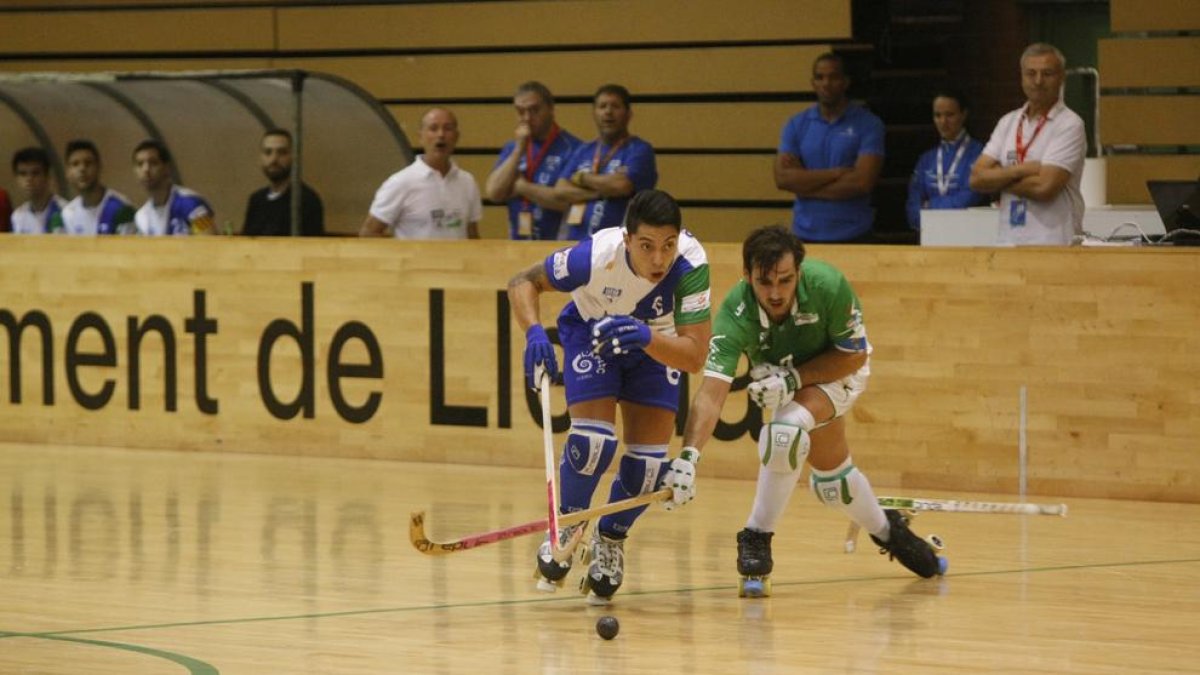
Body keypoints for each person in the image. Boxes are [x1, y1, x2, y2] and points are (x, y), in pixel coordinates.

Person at [678, 225, 944, 597]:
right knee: (833, 480)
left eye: (785, 281)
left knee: (783, 433)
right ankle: (891, 532)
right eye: (763, 282)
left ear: (799, 273)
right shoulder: (735, 313)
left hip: (838, 371)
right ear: (746, 276)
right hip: (785, 381)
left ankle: (756, 536)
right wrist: (690, 456)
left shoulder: (828, 286)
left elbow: (855, 354)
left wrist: (794, 379)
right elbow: (712, 393)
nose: (775, 293)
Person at [508, 189, 708, 604]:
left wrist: (648, 335)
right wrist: (532, 333)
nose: (659, 259)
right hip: (592, 332)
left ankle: (610, 538)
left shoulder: (691, 266)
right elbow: (523, 282)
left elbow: (694, 356)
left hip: (656, 344)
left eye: (668, 245)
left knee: (648, 469)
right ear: (627, 238)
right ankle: (567, 525)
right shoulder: (597, 255)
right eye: (648, 246)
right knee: (593, 443)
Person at [969, 43, 1086, 246]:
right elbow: (976, 178)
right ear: (1022, 77)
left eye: (1047, 73)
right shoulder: (1008, 122)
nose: (1038, 81)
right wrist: (1022, 170)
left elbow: (1045, 187)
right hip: (1008, 240)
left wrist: (998, 177)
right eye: (1031, 73)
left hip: (1055, 242)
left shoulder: (1069, 124)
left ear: (1061, 77)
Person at [775, 53, 885, 243]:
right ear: (813, 83)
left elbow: (862, 182)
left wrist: (805, 185)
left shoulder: (869, 124)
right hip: (804, 236)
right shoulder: (796, 124)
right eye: (820, 77)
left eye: (833, 77)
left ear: (845, 82)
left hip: (854, 235)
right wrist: (835, 174)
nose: (826, 83)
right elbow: (783, 178)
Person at [541, 84, 657, 240]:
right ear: (594, 114)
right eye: (602, 106)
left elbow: (621, 186)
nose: (608, 112)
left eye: (615, 106)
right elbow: (560, 189)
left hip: (617, 248)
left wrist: (582, 178)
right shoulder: (584, 150)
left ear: (628, 114)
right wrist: (600, 192)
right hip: (575, 245)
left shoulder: (639, 149)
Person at [360, 107, 481, 239]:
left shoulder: (467, 182)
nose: (441, 135)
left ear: (456, 136)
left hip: (457, 260)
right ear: (421, 137)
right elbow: (368, 233)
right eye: (433, 128)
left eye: (447, 128)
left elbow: (472, 236)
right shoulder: (400, 182)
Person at [484, 81, 580, 240]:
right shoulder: (513, 148)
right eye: (521, 112)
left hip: (557, 246)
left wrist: (522, 187)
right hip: (517, 244)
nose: (527, 118)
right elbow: (494, 192)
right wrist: (519, 149)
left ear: (551, 108)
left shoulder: (573, 148)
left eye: (534, 110)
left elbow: (566, 202)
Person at [905, 89, 989, 230]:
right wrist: (927, 220)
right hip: (930, 234)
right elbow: (912, 208)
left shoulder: (981, 153)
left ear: (963, 115)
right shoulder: (927, 158)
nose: (943, 122)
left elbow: (969, 198)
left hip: (968, 233)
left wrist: (929, 206)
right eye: (938, 115)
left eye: (950, 115)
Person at [242, 128, 324, 237]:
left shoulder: (306, 200)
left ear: (293, 157)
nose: (274, 159)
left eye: (281, 153)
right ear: (261, 158)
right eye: (268, 152)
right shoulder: (256, 200)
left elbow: (312, 247)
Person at [131, 139, 216, 236]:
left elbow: (209, 239)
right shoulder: (142, 216)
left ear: (167, 168)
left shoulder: (192, 204)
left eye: (153, 163)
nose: (146, 169)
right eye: (140, 164)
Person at [58, 139, 137, 236]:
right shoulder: (68, 213)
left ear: (99, 167)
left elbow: (128, 249)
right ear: (67, 173)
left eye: (88, 163)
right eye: (75, 164)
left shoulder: (120, 207)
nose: (82, 169)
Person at [10, 147, 66, 235]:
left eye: (35, 173)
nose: (29, 179)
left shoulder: (65, 211)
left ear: (47, 176)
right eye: (23, 174)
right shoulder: (18, 216)